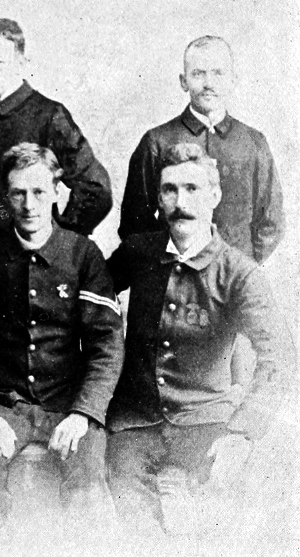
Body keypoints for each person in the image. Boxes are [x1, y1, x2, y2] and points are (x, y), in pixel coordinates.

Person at [106, 143, 294, 551]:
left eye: (192, 189)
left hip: (206, 423)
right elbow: (88, 302)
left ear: (215, 195)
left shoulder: (238, 272)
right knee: (126, 521)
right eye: (169, 190)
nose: (181, 202)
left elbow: (280, 357)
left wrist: (242, 431)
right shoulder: (137, 252)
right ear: (158, 199)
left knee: (216, 517)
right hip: (134, 424)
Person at [0, 143, 124, 546]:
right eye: (18, 193)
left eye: (39, 191)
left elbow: (107, 345)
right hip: (2, 406)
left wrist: (84, 413)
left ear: (57, 191)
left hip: (67, 405)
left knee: (89, 489)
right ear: (6, 196)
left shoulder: (82, 255)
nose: (29, 204)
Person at [0, 18, 112, 263]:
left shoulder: (49, 116)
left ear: (21, 63)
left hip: (32, 266)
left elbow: (96, 189)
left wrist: (59, 242)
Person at [119, 35, 284, 265]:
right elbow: (134, 222)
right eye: (198, 73)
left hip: (233, 277)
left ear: (233, 80)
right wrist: (166, 267)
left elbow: (271, 221)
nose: (208, 84)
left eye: (218, 73)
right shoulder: (156, 141)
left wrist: (242, 268)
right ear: (183, 81)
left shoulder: (254, 142)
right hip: (174, 275)